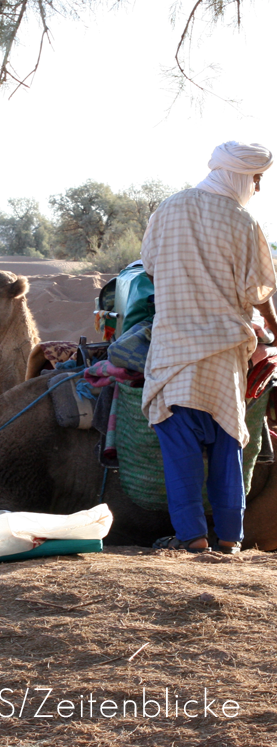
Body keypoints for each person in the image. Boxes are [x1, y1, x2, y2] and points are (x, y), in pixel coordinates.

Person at [141, 141, 277, 554]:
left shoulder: (167, 208)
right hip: (223, 357)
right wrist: (273, 324)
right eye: (256, 179)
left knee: (180, 454)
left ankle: (194, 541)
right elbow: (258, 289)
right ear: (238, 175)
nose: (257, 187)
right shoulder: (243, 221)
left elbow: (148, 263)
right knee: (227, 449)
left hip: (172, 355)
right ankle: (231, 540)